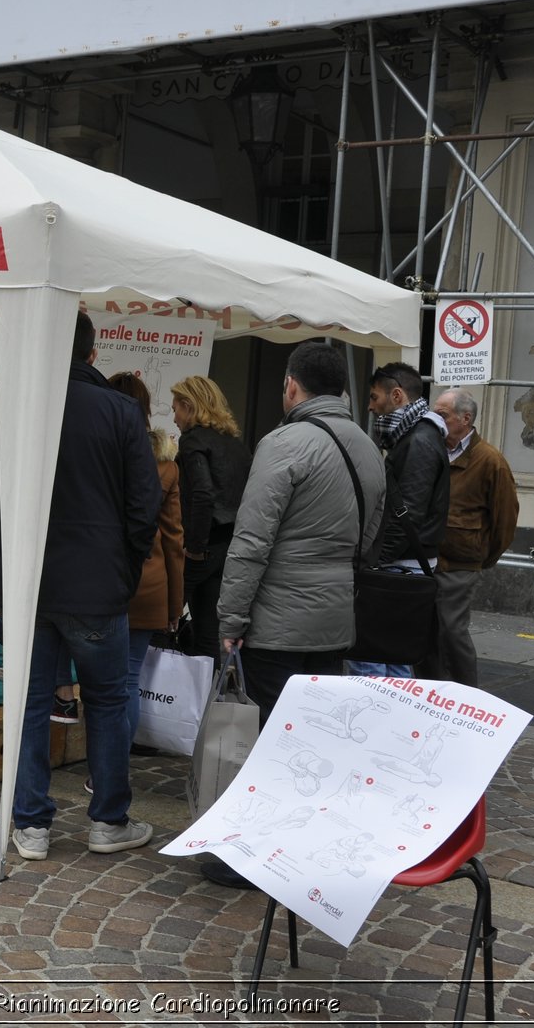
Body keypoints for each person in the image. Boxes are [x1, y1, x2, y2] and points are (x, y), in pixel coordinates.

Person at [0, 311, 161, 861]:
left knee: (30, 702)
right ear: (92, 354)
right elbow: (142, 506)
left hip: (29, 582)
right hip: (96, 585)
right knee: (105, 700)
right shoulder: (121, 411)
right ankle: (107, 820)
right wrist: (121, 570)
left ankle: (30, 825)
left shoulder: (12, 408)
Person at [211, 339, 385, 885]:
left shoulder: (285, 443)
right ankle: (302, 845)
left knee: (266, 742)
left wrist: (230, 619)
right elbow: (370, 536)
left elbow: (251, 541)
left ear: (291, 385)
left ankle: (255, 858)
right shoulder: (367, 447)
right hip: (334, 619)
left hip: (278, 621)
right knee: (311, 740)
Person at [354, 362, 450, 677]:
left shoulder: (419, 441)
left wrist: (374, 563)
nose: (370, 406)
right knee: (390, 656)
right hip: (402, 564)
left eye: (374, 397)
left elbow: (407, 513)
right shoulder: (417, 436)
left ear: (396, 395)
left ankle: (377, 721)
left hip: (398, 567)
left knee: (374, 656)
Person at [427, 387, 518, 686]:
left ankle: (465, 693)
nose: (436, 420)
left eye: (443, 415)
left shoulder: (489, 460)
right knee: (426, 630)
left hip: (460, 562)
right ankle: (431, 691)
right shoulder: (431, 449)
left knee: (452, 630)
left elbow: (505, 519)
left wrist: (480, 555)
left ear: (465, 419)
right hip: (427, 558)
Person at [111, 373, 184, 745]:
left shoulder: (101, 454)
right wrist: (174, 604)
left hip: (99, 581)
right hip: (149, 584)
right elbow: (174, 540)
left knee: (98, 679)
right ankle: (110, 771)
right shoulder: (165, 464)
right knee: (128, 678)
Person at [169, 375, 251, 658]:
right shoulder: (235, 444)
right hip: (232, 546)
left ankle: (165, 695)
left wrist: (194, 547)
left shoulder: (192, 442)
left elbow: (202, 494)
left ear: (190, 406)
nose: (175, 417)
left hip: (202, 547)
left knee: (165, 618)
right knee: (208, 628)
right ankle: (203, 694)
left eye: (176, 408)